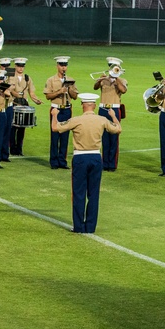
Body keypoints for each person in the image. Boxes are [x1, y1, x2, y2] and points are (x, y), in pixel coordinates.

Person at [51, 92, 121, 233]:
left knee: (78, 193)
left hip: (80, 158)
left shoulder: (76, 120)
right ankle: (90, 227)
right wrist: (114, 116)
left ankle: (78, 226)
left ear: (82, 105)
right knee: (94, 194)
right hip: (96, 157)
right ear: (94, 106)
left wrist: (54, 115)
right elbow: (118, 129)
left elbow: (55, 128)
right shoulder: (102, 120)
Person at [92, 57, 127, 171]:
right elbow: (95, 87)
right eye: (111, 67)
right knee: (104, 138)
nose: (112, 70)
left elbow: (123, 90)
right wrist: (99, 80)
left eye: (115, 67)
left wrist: (116, 79)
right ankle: (104, 163)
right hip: (103, 109)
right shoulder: (104, 79)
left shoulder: (122, 80)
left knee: (114, 137)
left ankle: (112, 164)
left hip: (114, 110)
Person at [44, 56, 77, 169]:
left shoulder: (71, 80)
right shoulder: (51, 80)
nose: (64, 68)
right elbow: (48, 96)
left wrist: (69, 90)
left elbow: (75, 96)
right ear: (57, 66)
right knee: (55, 136)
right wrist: (60, 91)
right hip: (56, 109)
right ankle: (54, 161)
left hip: (67, 109)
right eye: (62, 65)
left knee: (65, 137)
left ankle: (62, 161)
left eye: (65, 65)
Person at [9, 57, 43, 157]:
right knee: (13, 127)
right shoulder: (10, 75)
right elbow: (9, 89)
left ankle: (19, 149)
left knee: (22, 128)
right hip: (13, 104)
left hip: (23, 105)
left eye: (22, 66)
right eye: (19, 66)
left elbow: (31, 92)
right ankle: (12, 148)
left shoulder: (27, 78)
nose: (21, 68)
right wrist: (16, 94)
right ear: (15, 66)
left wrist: (36, 100)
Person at [0, 57, 15, 163]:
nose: (6, 68)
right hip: (0, 107)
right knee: (0, 131)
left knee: (7, 130)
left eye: (7, 66)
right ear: (0, 67)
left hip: (9, 106)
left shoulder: (12, 78)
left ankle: (5, 154)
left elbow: (12, 88)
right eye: (4, 66)